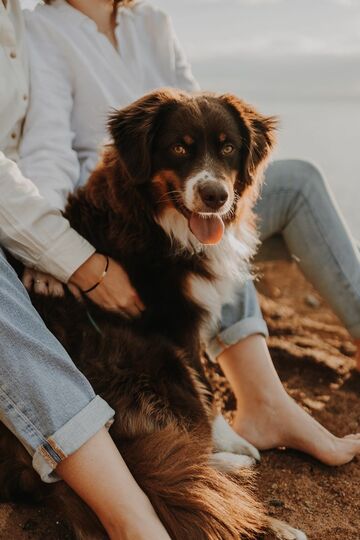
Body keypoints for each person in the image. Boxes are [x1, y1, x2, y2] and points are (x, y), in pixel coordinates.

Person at [19, 0, 360, 467]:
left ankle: (304, 373)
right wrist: (55, 249)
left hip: (193, 195)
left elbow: (206, 118)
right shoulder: (41, 27)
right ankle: (258, 403)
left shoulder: (152, 22)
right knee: (202, 257)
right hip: (125, 201)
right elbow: (47, 150)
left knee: (296, 183)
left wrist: (218, 176)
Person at [0, 1, 171, 538]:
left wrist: (54, 244)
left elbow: (36, 149)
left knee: (201, 213)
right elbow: (36, 156)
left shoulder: (19, 18)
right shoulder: (46, 24)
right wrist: (75, 260)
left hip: (29, 209)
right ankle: (129, 516)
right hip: (28, 209)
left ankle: (261, 398)